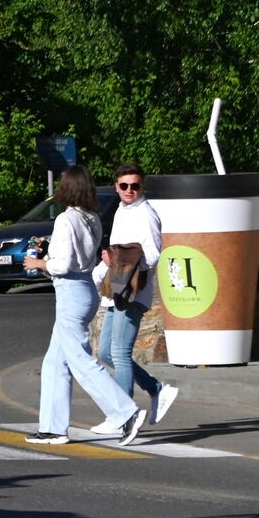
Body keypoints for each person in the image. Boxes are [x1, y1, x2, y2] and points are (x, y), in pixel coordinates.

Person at [21, 166, 148, 446]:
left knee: (80, 360)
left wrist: (38, 262)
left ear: (65, 189)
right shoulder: (92, 218)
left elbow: (63, 264)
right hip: (85, 289)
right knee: (55, 362)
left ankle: (126, 413)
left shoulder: (66, 219)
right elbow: (78, 254)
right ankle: (53, 429)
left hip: (70, 293)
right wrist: (49, 248)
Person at [87, 165, 179, 432]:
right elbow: (116, 251)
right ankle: (155, 388)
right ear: (116, 186)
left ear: (142, 187)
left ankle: (123, 415)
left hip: (134, 291)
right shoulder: (121, 211)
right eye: (124, 186)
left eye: (135, 186)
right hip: (116, 288)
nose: (129, 191)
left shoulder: (146, 214)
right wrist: (101, 272)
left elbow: (153, 254)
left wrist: (120, 261)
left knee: (120, 353)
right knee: (105, 351)